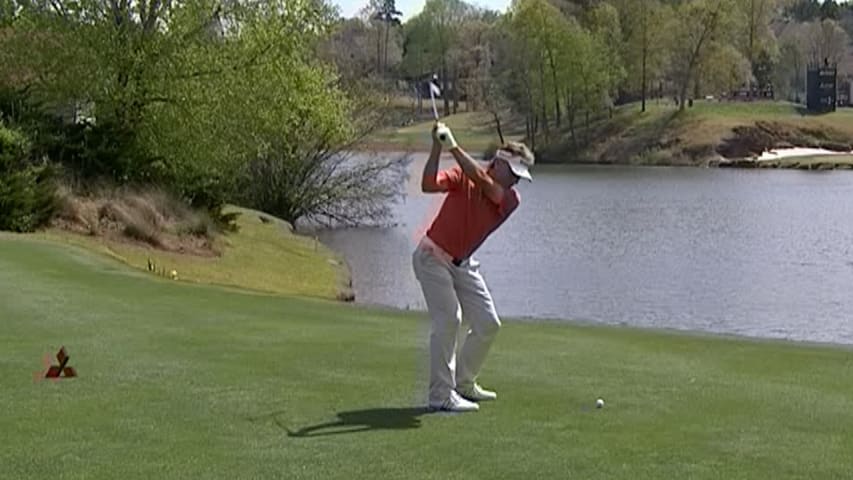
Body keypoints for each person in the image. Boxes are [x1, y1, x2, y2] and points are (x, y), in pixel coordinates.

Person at [412, 121, 534, 412]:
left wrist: (453, 146)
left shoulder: (509, 199)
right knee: (449, 319)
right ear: (499, 164)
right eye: (514, 174)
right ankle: (441, 395)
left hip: (463, 264)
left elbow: (484, 184)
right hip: (432, 257)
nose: (517, 182)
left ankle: (463, 383)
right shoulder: (464, 176)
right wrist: (436, 148)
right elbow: (428, 185)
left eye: (520, 177)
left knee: (488, 323)